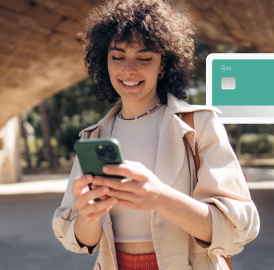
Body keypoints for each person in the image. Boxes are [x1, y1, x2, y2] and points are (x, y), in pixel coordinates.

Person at [52, 0, 260, 270]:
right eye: (117, 57)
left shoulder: (201, 124)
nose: (129, 69)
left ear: (163, 64)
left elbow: (240, 228)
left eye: (145, 58)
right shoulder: (93, 138)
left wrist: (160, 197)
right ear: (105, 61)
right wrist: (90, 217)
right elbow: (78, 240)